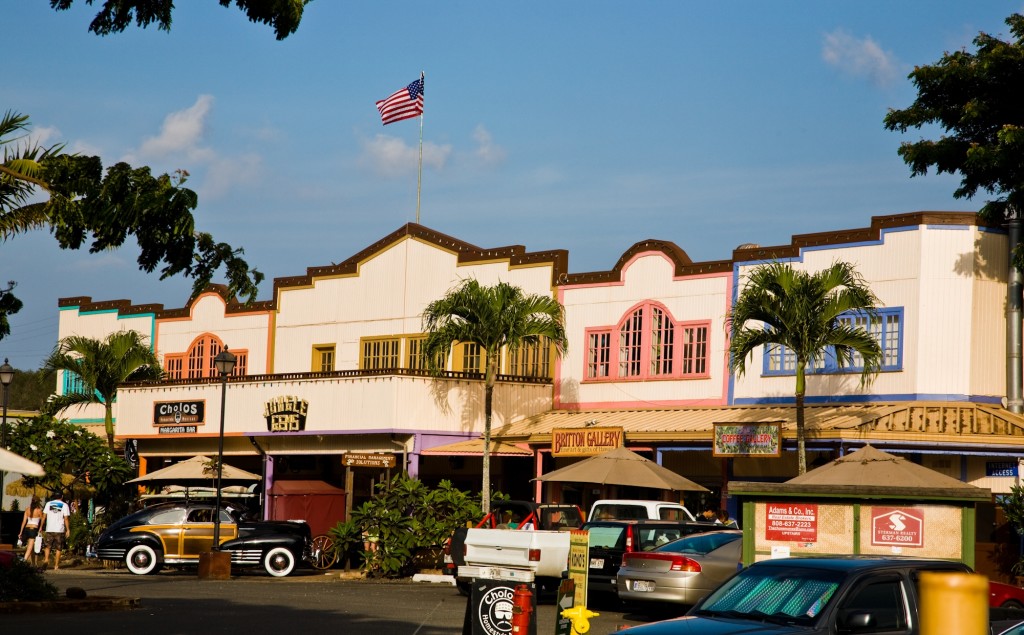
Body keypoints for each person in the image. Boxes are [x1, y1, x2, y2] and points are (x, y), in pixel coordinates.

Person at [41, 492, 71, 570]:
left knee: (47, 546)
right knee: (58, 548)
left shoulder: (48, 504)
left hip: (49, 528)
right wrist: (68, 529)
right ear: (62, 496)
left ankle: (46, 559)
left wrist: (41, 527)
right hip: (59, 529)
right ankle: (56, 565)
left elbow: (44, 516)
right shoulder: (64, 505)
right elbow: (66, 518)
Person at [18, 498, 44, 565]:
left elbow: (24, 521)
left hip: (27, 528)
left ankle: (33, 564)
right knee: (29, 548)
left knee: (31, 547)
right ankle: (23, 561)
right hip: (33, 529)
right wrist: (40, 528)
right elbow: (42, 520)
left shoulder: (27, 509)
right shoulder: (39, 510)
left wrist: (20, 532)